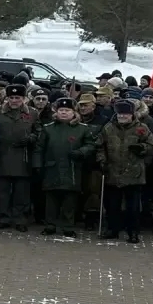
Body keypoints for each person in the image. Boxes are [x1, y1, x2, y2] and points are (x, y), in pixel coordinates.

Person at [32, 97, 94, 237]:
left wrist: (81, 152)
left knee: (69, 200)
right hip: (51, 168)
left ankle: (68, 226)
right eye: (61, 110)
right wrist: (37, 165)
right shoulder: (48, 128)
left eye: (67, 110)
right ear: (56, 112)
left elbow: (90, 145)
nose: (64, 113)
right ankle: (50, 225)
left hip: (72, 168)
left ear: (74, 113)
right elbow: (39, 148)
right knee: (51, 200)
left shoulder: (82, 129)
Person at [98, 98, 153, 243]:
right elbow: (100, 146)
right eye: (120, 114)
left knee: (133, 207)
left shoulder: (141, 128)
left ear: (132, 114)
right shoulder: (108, 128)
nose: (122, 116)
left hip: (134, 172)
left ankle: (133, 232)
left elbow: (152, 145)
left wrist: (142, 148)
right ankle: (112, 230)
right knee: (113, 205)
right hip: (113, 171)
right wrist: (102, 160)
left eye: (125, 114)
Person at [0, 85, 36, 232]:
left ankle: (20, 219)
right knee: (3, 191)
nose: (14, 101)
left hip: (23, 157)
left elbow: (39, 131)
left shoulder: (32, 113)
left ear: (23, 99)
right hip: (4, 155)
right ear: (7, 98)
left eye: (18, 98)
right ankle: (3, 218)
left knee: (21, 192)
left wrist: (31, 138)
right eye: (12, 97)